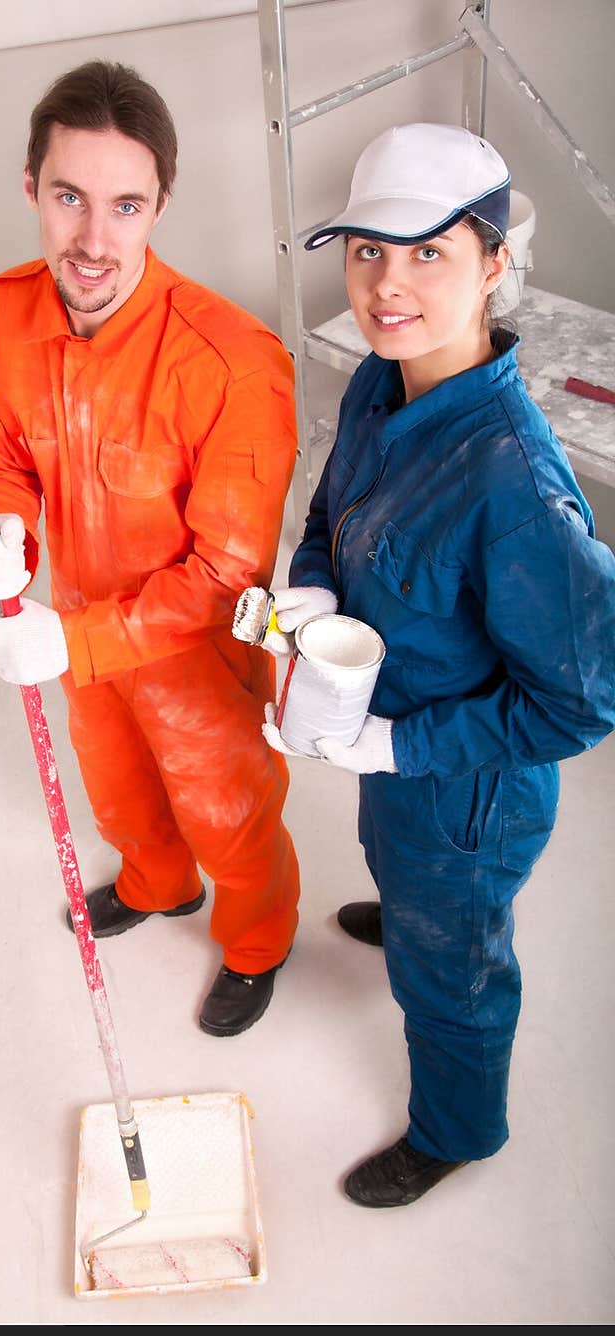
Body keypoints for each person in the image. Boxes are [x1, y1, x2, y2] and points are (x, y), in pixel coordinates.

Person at [263, 123, 615, 1204]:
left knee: (452, 976)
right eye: (367, 249)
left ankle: (459, 1127)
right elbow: (333, 502)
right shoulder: (381, 380)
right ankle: (408, 910)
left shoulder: (513, 484)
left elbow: (582, 704)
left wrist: (397, 741)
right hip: (393, 770)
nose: (386, 282)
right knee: (394, 863)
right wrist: (312, 578)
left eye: (428, 252)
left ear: (495, 262)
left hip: (463, 799)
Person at [0, 60, 301, 1036]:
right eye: (69, 198)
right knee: (116, 788)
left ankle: (255, 942)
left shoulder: (233, 363)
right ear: (32, 190)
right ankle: (155, 886)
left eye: (125, 205)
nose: (93, 240)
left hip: (192, 655)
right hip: (75, 631)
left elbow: (227, 572)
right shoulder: (0, 312)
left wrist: (79, 642)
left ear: (159, 205)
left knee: (228, 814)